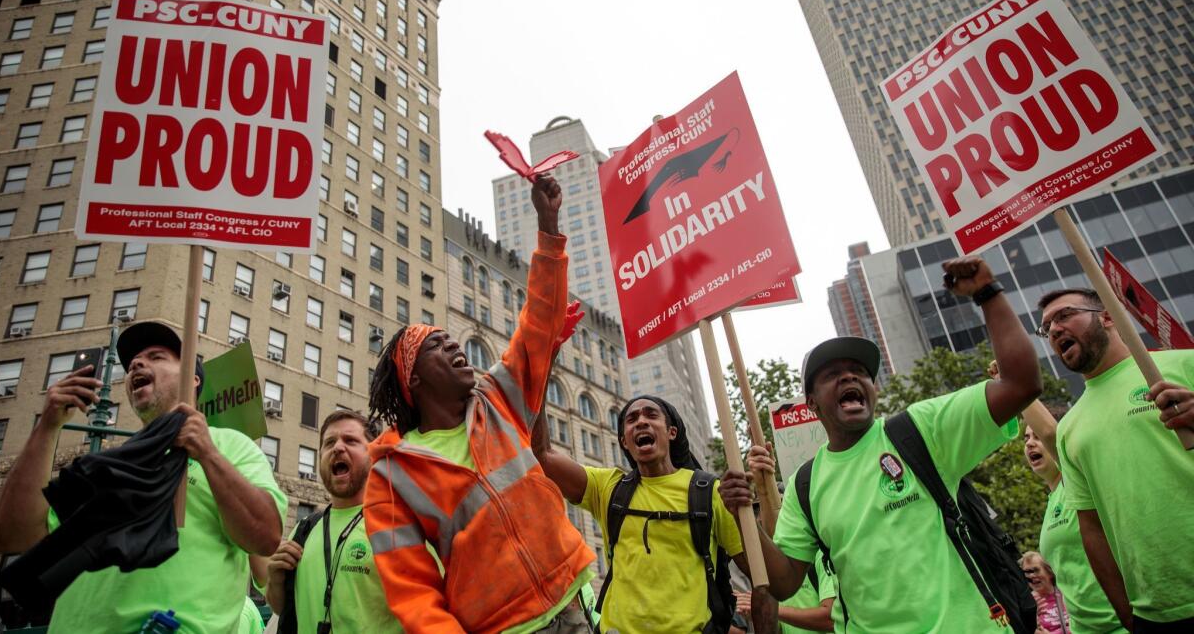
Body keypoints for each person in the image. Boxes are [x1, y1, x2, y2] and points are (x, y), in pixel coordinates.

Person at [721, 256, 1042, 632]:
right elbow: (785, 581)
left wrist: (988, 292)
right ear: (811, 404)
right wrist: (740, 516)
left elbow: (1021, 384)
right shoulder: (804, 486)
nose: (849, 378)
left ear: (874, 389)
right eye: (832, 375)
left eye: (859, 372)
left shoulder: (920, 429)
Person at [364, 173, 596, 633]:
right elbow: (412, 592)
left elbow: (538, 325)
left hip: (574, 606)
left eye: (453, 340)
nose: (455, 348)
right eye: (437, 346)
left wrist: (548, 229)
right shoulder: (390, 478)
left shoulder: (496, 396)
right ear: (413, 378)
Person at [0, 321, 287, 634]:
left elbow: (265, 536)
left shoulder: (229, 446)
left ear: (193, 379)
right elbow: (13, 535)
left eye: (157, 356)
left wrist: (206, 452)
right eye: (133, 362)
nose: (136, 363)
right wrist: (47, 426)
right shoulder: (104, 465)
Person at [1038, 288, 1194, 631]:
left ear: (1107, 316)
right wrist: (1129, 617)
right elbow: (1092, 529)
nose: (1053, 330)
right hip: (1156, 614)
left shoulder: (1182, 364)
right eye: (1046, 327)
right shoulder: (1070, 428)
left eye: (1064, 316)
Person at [536, 394, 746, 633]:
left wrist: (758, 491)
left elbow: (763, 576)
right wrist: (541, 371)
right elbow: (542, 457)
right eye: (631, 419)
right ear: (624, 442)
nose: (641, 422)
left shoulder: (710, 491)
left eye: (651, 414)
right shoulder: (608, 488)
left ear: (672, 432)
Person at [265, 409, 401, 632]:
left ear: (373, 455)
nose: (338, 447)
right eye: (329, 443)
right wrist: (276, 579)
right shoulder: (304, 529)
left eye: (350, 440)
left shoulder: (398, 525)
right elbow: (282, 609)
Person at [1023, 422, 1125, 634]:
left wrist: (1018, 392)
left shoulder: (1073, 481)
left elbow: (1051, 432)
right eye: (1026, 438)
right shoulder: (1051, 502)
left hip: (1119, 624)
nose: (1030, 443)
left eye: (1037, 436)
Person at [1022, 551, 1070, 634]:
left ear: (1049, 572)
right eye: (1027, 572)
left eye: (1036, 570)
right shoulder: (1028, 603)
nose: (1031, 576)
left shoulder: (1067, 593)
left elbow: (1083, 624)